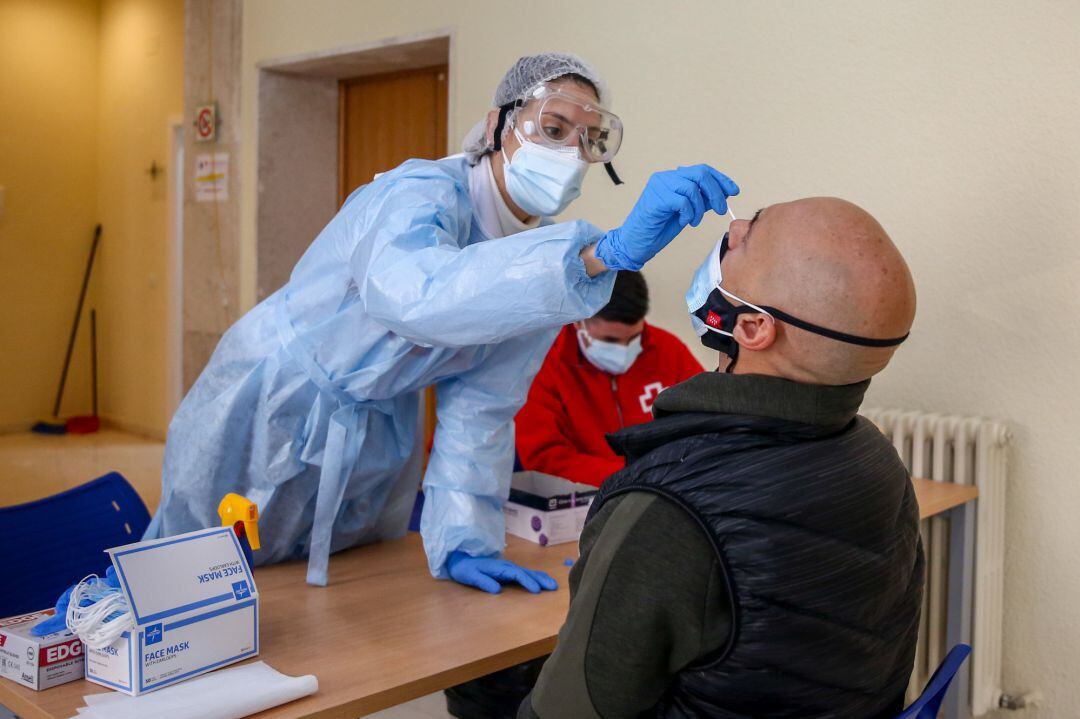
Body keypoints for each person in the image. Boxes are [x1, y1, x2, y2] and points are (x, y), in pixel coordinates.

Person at [144, 52, 740, 594]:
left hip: (379, 423)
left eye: (587, 140)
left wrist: (463, 540)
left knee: (335, 595)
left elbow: (481, 407)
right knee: (192, 578)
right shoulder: (420, 194)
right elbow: (415, 297)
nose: (567, 153)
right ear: (495, 126)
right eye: (552, 130)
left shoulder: (538, 272)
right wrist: (599, 255)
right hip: (270, 398)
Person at [519, 197, 922, 718]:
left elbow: (565, 711)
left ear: (753, 328)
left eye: (746, 237)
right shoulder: (876, 457)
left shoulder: (671, 507)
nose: (730, 228)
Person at [515, 271, 703, 486]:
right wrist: (633, 475)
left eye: (633, 338)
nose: (623, 350)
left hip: (666, 491)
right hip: (582, 501)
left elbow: (705, 427)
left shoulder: (668, 351)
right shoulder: (542, 364)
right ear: (579, 321)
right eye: (610, 340)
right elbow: (544, 459)